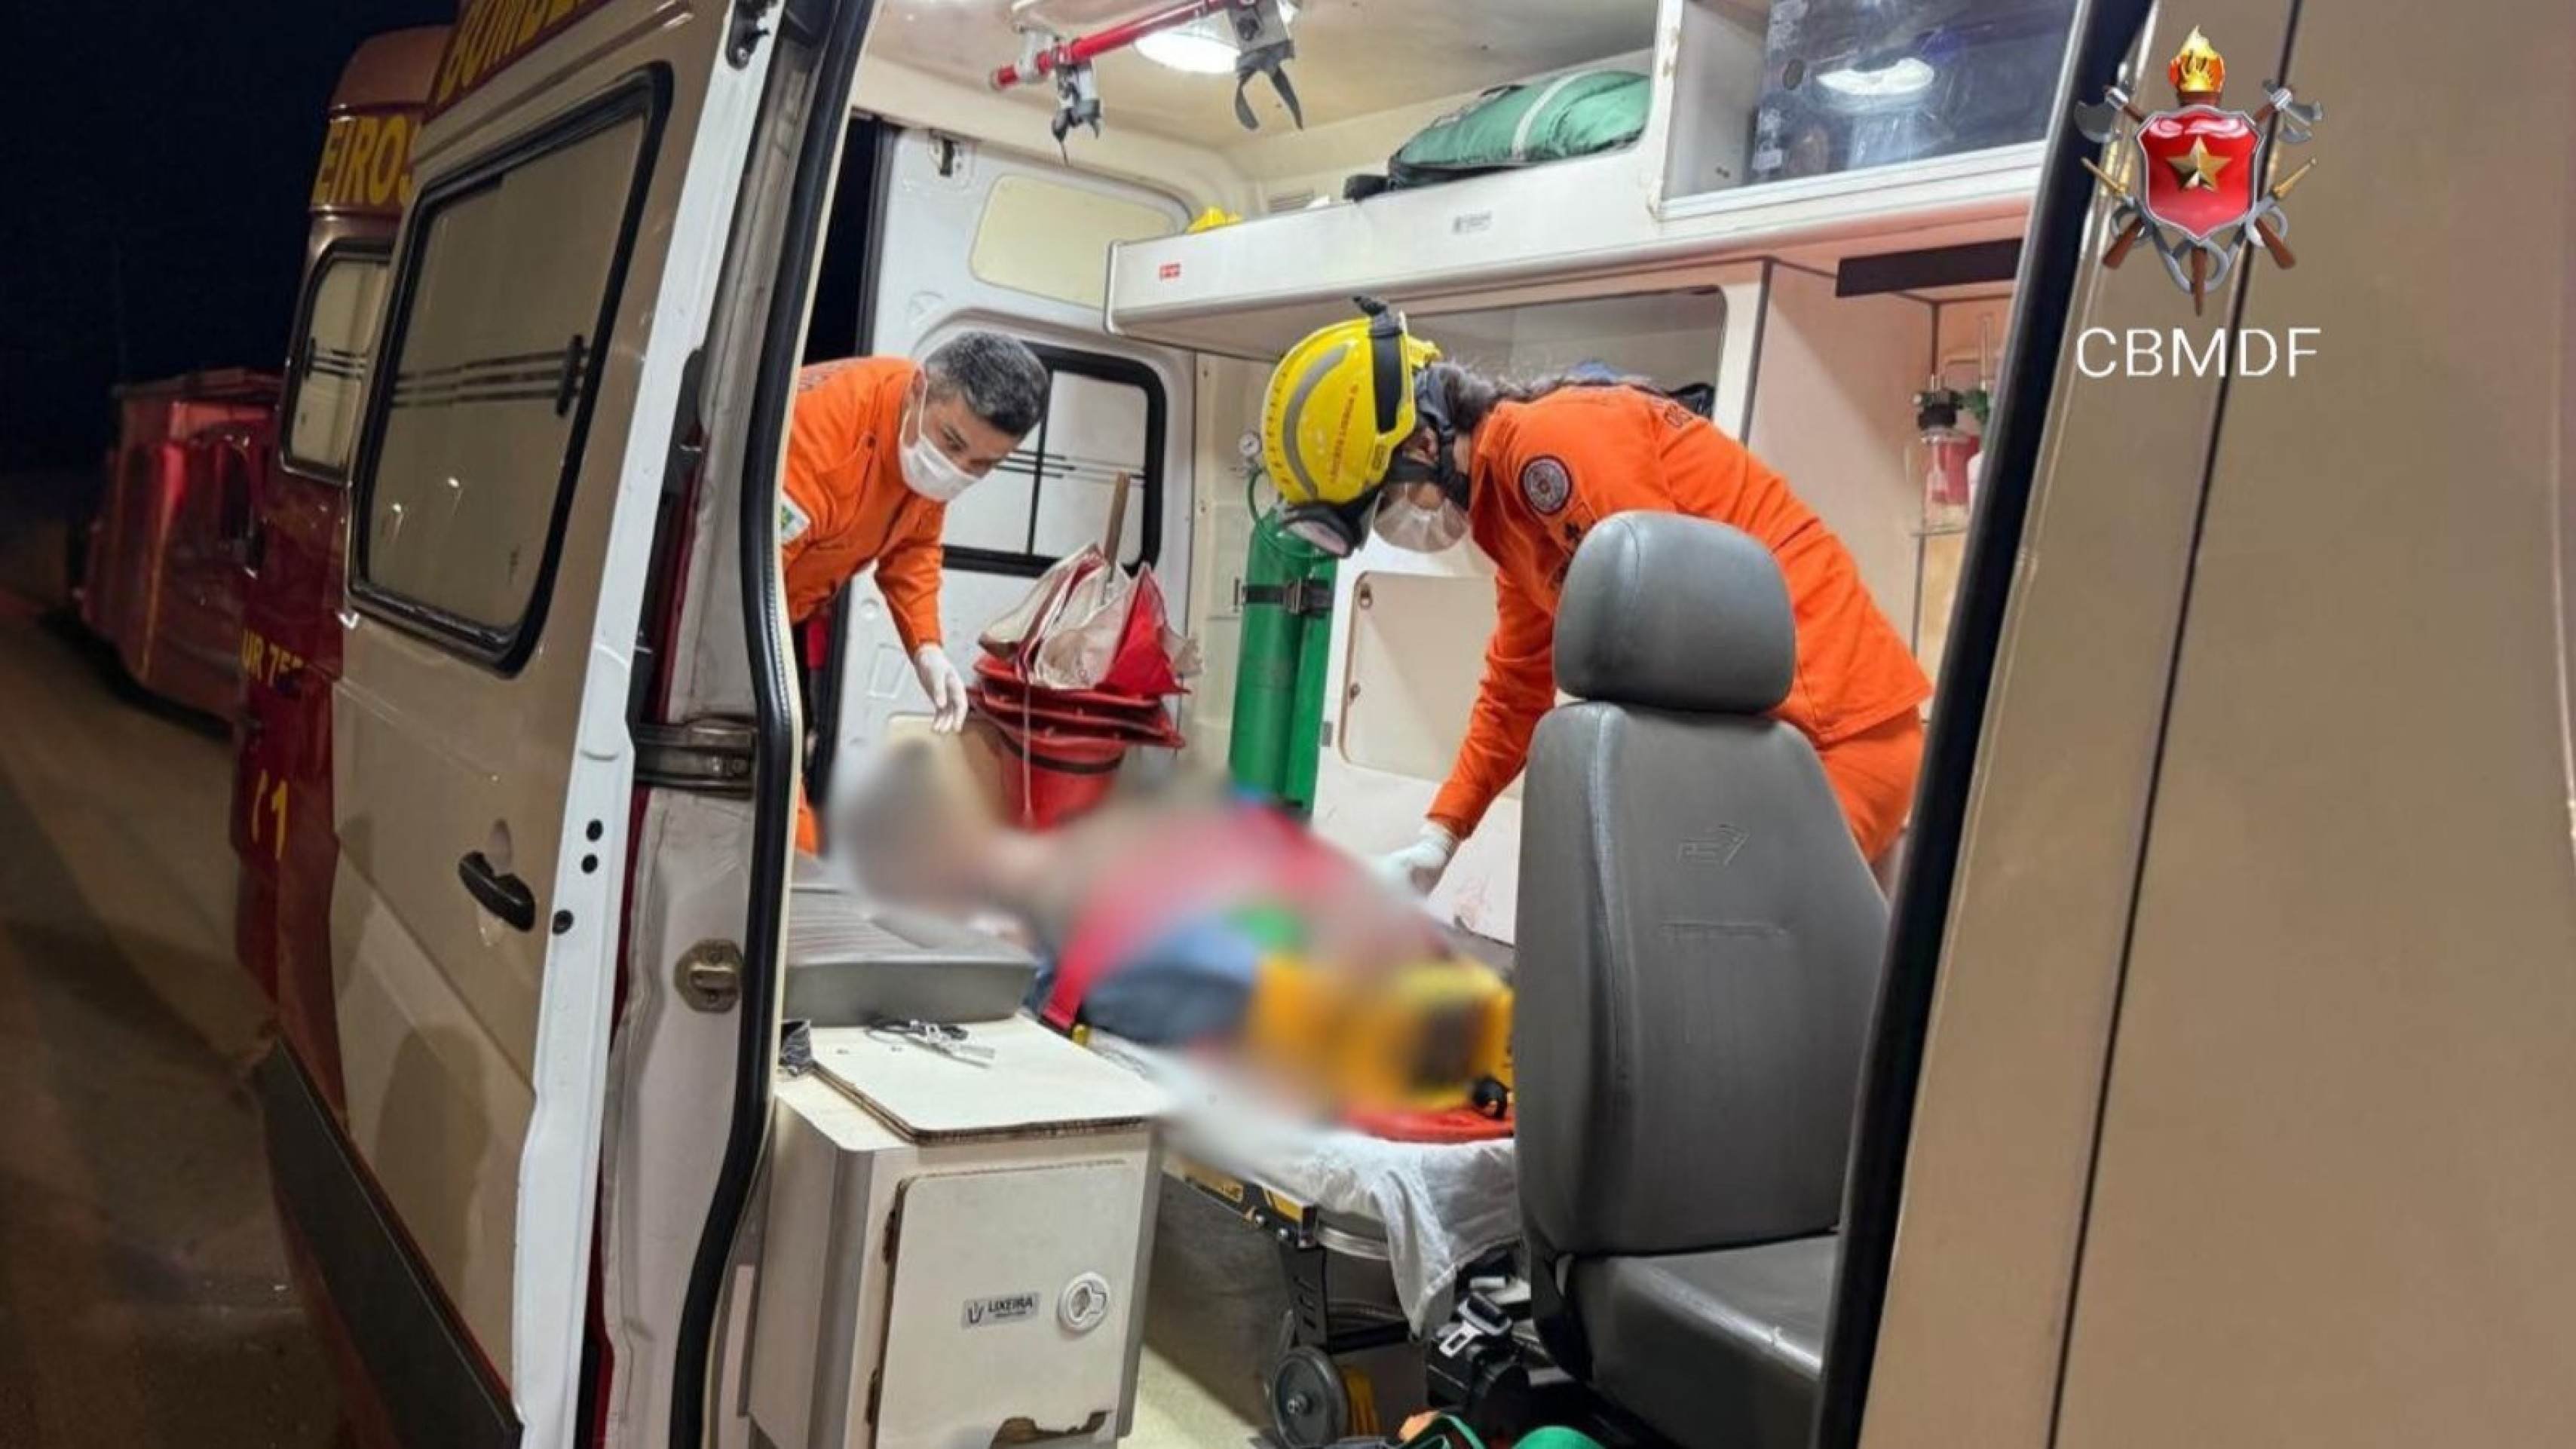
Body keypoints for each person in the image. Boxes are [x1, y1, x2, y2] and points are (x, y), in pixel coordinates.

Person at [1260, 299, 1930, 884]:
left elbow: (1670, 614)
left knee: (1726, 945)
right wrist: (1438, 838)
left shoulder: (1550, 443)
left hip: (1833, 734)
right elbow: (1514, 691)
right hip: (1783, 743)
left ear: (1419, 442)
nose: (1396, 526)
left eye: (1385, 503)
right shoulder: (1508, 513)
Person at [781, 330, 1049, 850]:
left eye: (984, 465)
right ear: (919, 389)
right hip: (725, 605)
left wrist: (926, 647)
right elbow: (737, 586)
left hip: (786, 609)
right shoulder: (819, 438)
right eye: (953, 444)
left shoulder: (922, 448)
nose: (958, 471)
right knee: (773, 776)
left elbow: (914, 547)